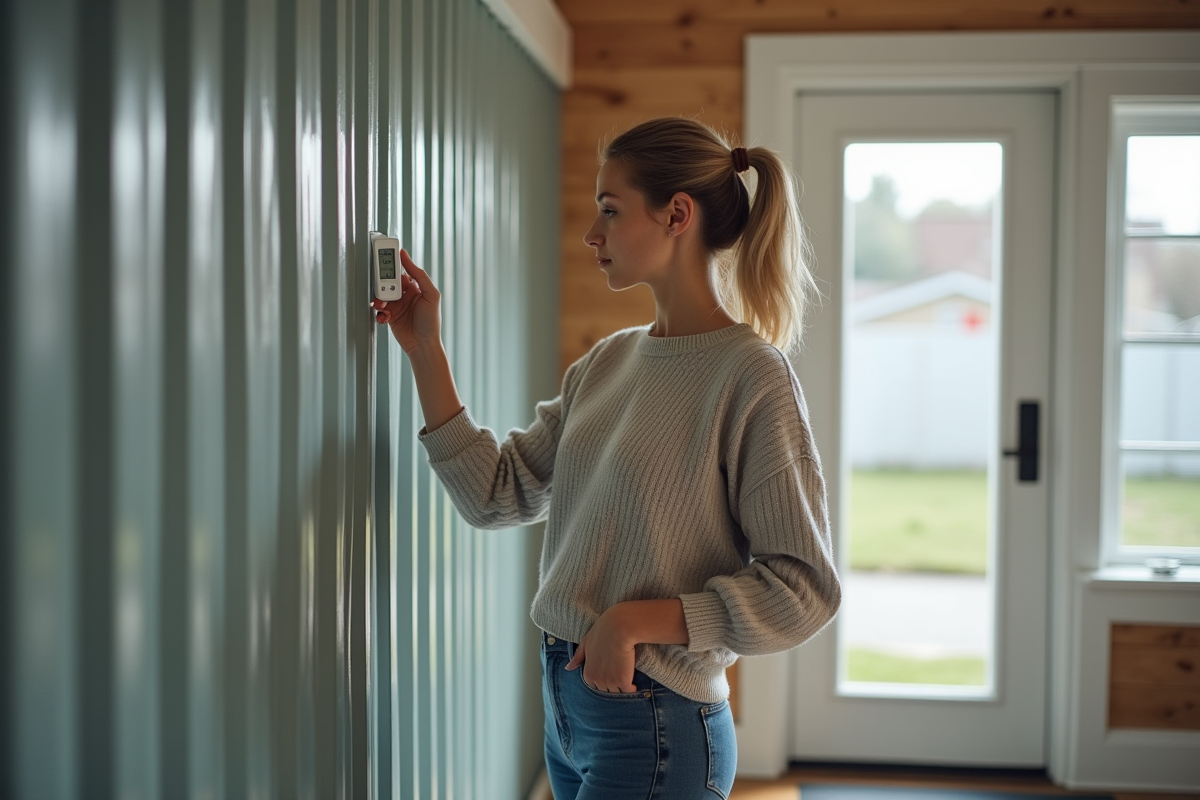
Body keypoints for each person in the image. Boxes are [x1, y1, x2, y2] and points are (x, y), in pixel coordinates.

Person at [372, 117, 840, 800]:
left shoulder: (751, 376)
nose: (591, 234)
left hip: (657, 723)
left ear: (676, 214)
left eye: (611, 211)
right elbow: (495, 495)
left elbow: (804, 590)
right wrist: (424, 350)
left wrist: (634, 621)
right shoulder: (607, 362)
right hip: (569, 709)